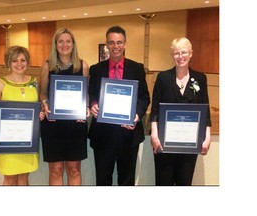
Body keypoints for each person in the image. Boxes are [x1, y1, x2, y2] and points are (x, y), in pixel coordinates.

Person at [88, 25, 150, 186]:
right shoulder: (96, 69)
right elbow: (91, 94)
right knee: (102, 180)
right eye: (112, 43)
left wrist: (136, 115)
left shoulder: (136, 68)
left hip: (128, 134)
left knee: (127, 181)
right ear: (107, 45)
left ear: (125, 44)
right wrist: (93, 104)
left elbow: (144, 97)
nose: (116, 47)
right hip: (103, 134)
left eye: (119, 42)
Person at [150, 37, 212, 186]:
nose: (180, 56)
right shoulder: (163, 78)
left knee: (185, 183)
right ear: (172, 55)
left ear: (191, 54)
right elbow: (155, 109)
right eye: (176, 53)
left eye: (184, 52)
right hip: (164, 143)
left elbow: (205, 109)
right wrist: (154, 134)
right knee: (163, 183)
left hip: (189, 144)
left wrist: (207, 137)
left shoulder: (200, 79)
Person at [0, 46, 44, 185]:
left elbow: (38, 106)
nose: (19, 64)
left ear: (28, 62)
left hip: (27, 139)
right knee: (10, 179)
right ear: (8, 62)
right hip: (6, 139)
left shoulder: (34, 82)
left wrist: (39, 114)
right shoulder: (0, 83)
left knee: (24, 177)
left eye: (23, 60)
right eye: (15, 60)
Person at [39, 27, 89, 186]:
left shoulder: (83, 66)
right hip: (53, 124)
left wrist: (85, 108)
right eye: (61, 41)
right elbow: (42, 93)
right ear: (55, 44)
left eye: (68, 41)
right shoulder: (47, 66)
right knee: (56, 169)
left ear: (73, 45)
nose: (65, 44)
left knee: (74, 169)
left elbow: (85, 94)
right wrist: (45, 105)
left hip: (75, 124)